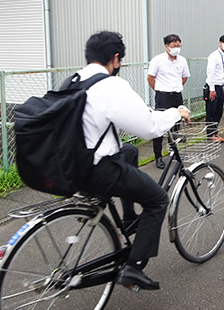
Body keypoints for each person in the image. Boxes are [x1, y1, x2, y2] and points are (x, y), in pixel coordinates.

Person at [72, 31, 190, 291]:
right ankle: (134, 267)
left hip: (73, 165)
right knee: (159, 199)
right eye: (120, 60)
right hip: (99, 168)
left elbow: (130, 115)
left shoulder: (75, 80)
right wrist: (175, 114)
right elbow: (148, 127)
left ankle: (128, 218)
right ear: (115, 58)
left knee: (130, 152)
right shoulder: (110, 85)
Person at [147, 34, 190, 169]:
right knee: (159, 127)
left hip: (176, 96)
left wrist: (175, 87)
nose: (176, 48)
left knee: (176, 125)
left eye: (178, 46)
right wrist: (159, 90)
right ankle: (158, 157)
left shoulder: (182, 61)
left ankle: (173, 152)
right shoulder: (158, 60)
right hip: (162, 96)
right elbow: (150, 78)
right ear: (166, 46)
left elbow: (184, 77)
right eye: (173, 46)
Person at [204, 34, 224, 142]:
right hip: (213, 87)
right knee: (211, 112)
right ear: (220, 43)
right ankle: (210, 135)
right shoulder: (214, 56)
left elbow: (223, 69)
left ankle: (215, 133)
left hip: (220, 87)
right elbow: (210, 73)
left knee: (218, 111)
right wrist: (212, 89)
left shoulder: (223, 56)